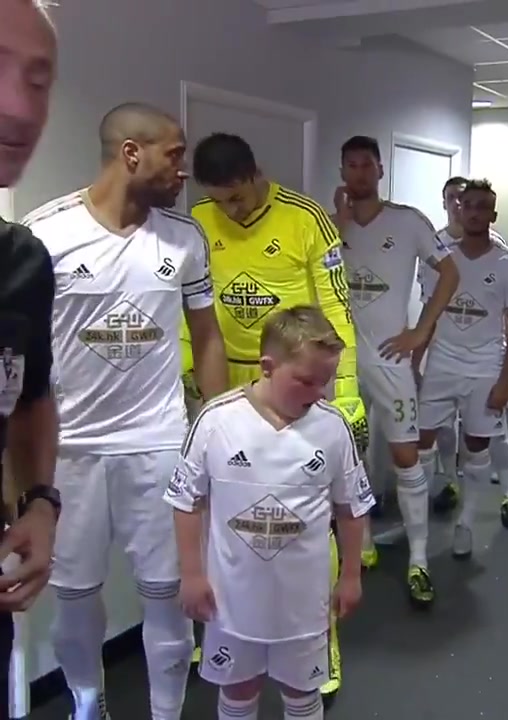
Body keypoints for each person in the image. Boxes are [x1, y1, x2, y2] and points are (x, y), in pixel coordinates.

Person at [23, 103, 229, 720]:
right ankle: (89, 705)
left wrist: (216, 430)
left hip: (159, 444)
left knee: (168, 595)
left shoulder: (184, 238)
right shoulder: (44, 234)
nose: (184, 169)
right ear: (131, 153)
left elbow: (208, 336)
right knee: (75, 598)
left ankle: (166, 713)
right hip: (70, 452)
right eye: (175, 154)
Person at [181, 132, 367, 702]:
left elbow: (336, 306)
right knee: (222, 509)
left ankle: (321, 638)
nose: (231, 210)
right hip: (227, 376)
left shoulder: (306, 218)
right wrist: (190, 373)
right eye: (220, 201)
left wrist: (346, 390)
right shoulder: (199, 220)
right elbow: (191, 307)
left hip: (294, 377)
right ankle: (223, 625)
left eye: (237, 197)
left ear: (255, 173)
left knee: (307, 514)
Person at [165, 305, 371, 720]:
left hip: (304, 602)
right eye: (306, 381)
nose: (318, 393)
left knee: (302, 692)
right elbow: (187, 501)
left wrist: (350, 575)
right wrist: (191, 574)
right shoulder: (216, 421)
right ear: (267, 367)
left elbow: (351, 507)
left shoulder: (333, 428)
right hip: (231, 599)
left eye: (325, 382)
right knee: (239, 690)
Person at [334, 135, 459, 605]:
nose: (359, 173)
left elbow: (450, 273)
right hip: (341, 362)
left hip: (390, 358)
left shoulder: (408, 222)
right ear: (342, 172)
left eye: (367, 164)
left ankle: (419, 560)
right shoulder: (331, 225)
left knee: (406, 456)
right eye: (351, 165)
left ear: (380, 170)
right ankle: (360, 544)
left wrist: (421, 331)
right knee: (347, 457)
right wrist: (338, 223)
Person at [0, 0, 61, 711]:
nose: (19, 107)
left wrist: (40, 501)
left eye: (39, 81)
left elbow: (31, 396)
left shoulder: (22, 262)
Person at [414, 180, 508, 547]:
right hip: (442, 363)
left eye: (483, 207)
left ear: (493, 215)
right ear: (458, 210)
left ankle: (466, 523)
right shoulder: (441, 260)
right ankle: (419, 521)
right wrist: (415, 362)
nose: (475, 213)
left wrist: (505, 380)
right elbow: (429, 316)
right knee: (421, 440)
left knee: (477, 445)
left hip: (484, 368)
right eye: (469, 206)